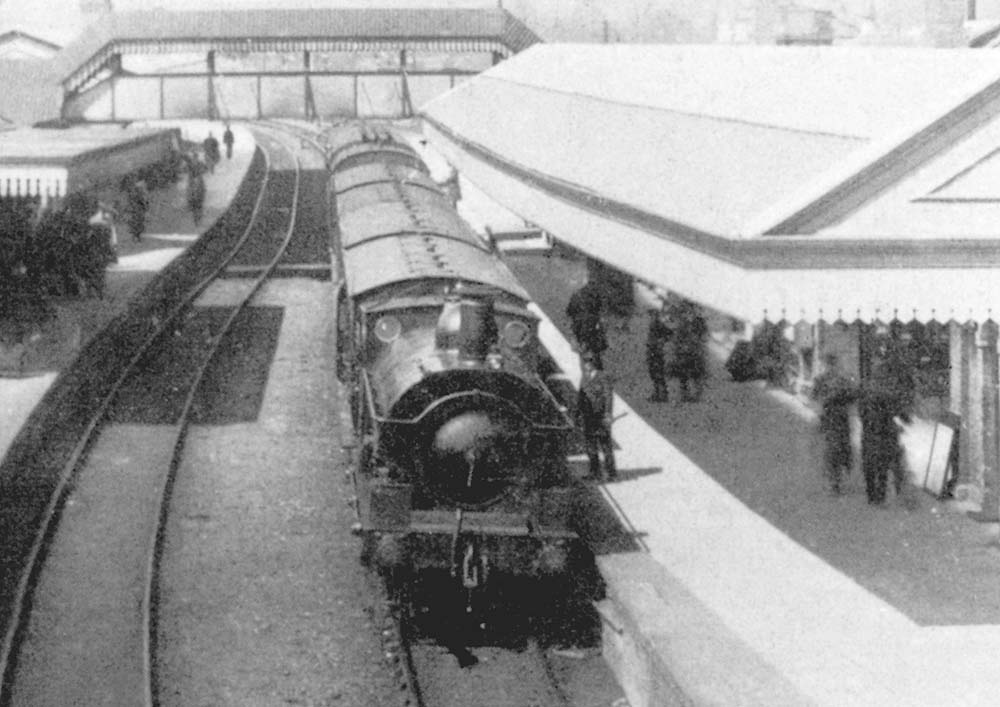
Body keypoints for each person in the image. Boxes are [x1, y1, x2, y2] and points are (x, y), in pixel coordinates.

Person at [859, 349, 913, 506]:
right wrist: (906, 420)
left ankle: (872, 496)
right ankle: (880, 496)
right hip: (884, 431)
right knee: (882, 464)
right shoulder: (887, 390)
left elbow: (861, 410)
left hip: (870, 431)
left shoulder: (866, 387)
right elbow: (897, 409)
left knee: (870, 463)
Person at [811, 354, 856, 495]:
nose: (831, 367)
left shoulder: (826, 379)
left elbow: (814, 398)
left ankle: (836, 480)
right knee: (837, 449)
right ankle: (836, 480)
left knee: (835, 449)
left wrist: (819, 414)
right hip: (838, 418)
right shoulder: (843, 379)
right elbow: (852, 399)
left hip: (834, 418)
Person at [577, 350, 616, 481]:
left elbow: (608, 396)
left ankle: (611, 473)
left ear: (595, 363)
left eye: (589, 362)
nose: (586, 365)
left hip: (600, 416)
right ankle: (595, 472)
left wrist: (608, 414)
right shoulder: (585, 377)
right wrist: (578, 414)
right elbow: (580, 397)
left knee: (605, 445)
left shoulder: (603, 376)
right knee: (590, 446)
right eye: (585, 362)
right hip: (588, 417)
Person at [668, 298, 708, 402]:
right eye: (684, 309)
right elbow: (677, 336)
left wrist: (698, 342)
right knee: (683, 373)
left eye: (688, 308)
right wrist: (678, 346)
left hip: (695, 350)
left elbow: (704, 335)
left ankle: (697, 394)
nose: (686, 311)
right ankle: (685, 394)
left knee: (697, 373)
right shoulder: (683, 322)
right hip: (683, 351)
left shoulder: (699, 321)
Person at [566, 282, 608, 369]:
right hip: (592, 325)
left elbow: (569, 312)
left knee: (584, 345)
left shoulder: (576, 295)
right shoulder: (596, 295)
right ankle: (594, 365)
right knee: (593, 345)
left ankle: (589, 365)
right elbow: (601, 310)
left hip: (579, 325)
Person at [645, 305, 673, 402]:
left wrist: (661, 341)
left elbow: (670, 333)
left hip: (656, 352)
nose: (652, 316)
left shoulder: (658, 324)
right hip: (652, 351)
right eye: (651, 314)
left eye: (653, 314)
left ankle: (661, 395)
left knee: (657, 373)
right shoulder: (654, 323)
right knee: (654, 373)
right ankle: (660, 394)